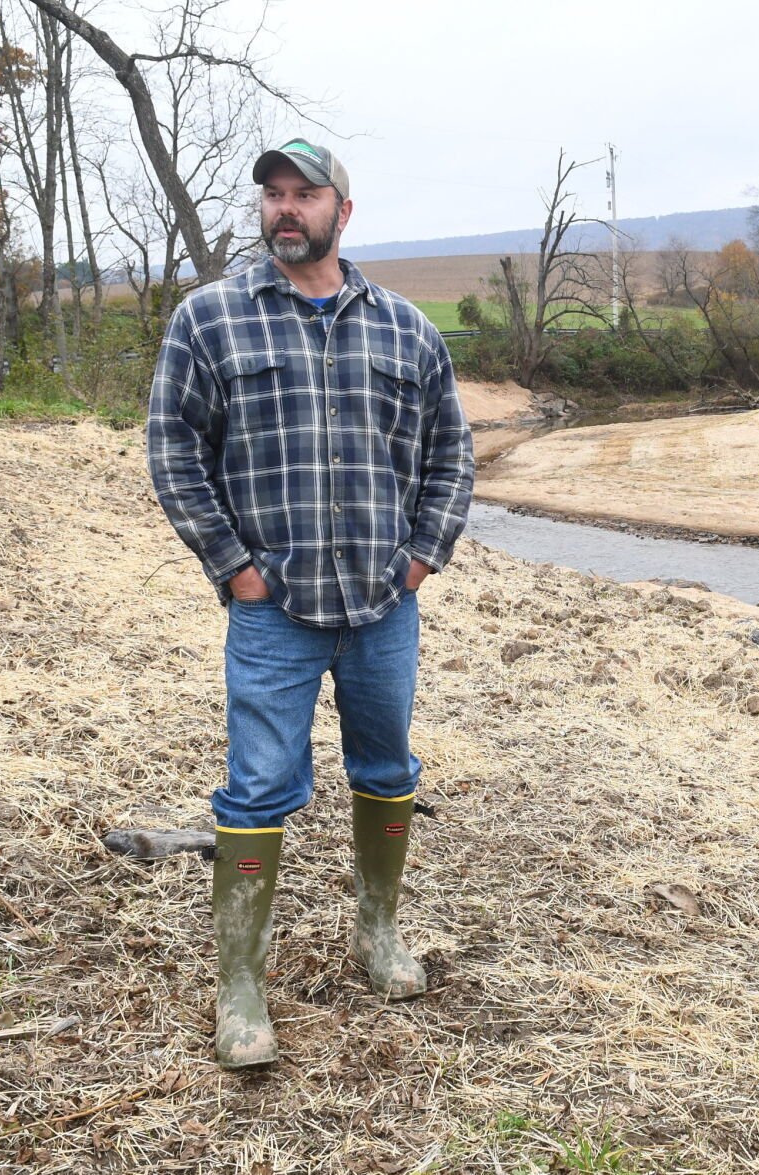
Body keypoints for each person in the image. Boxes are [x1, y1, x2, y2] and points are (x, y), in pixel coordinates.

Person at [147, 138, 474, 1068]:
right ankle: (240, 987)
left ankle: (377, 933)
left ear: (343, 210)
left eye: (305, 194)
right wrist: (236, 569)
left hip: (383, 607)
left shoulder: (408, 330)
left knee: (387, 768)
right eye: (273, 196)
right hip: (273, 612)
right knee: (254, 786)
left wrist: (420, 559)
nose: (286, 209)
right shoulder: (210, 319)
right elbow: (173, 452)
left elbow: (452, 454)